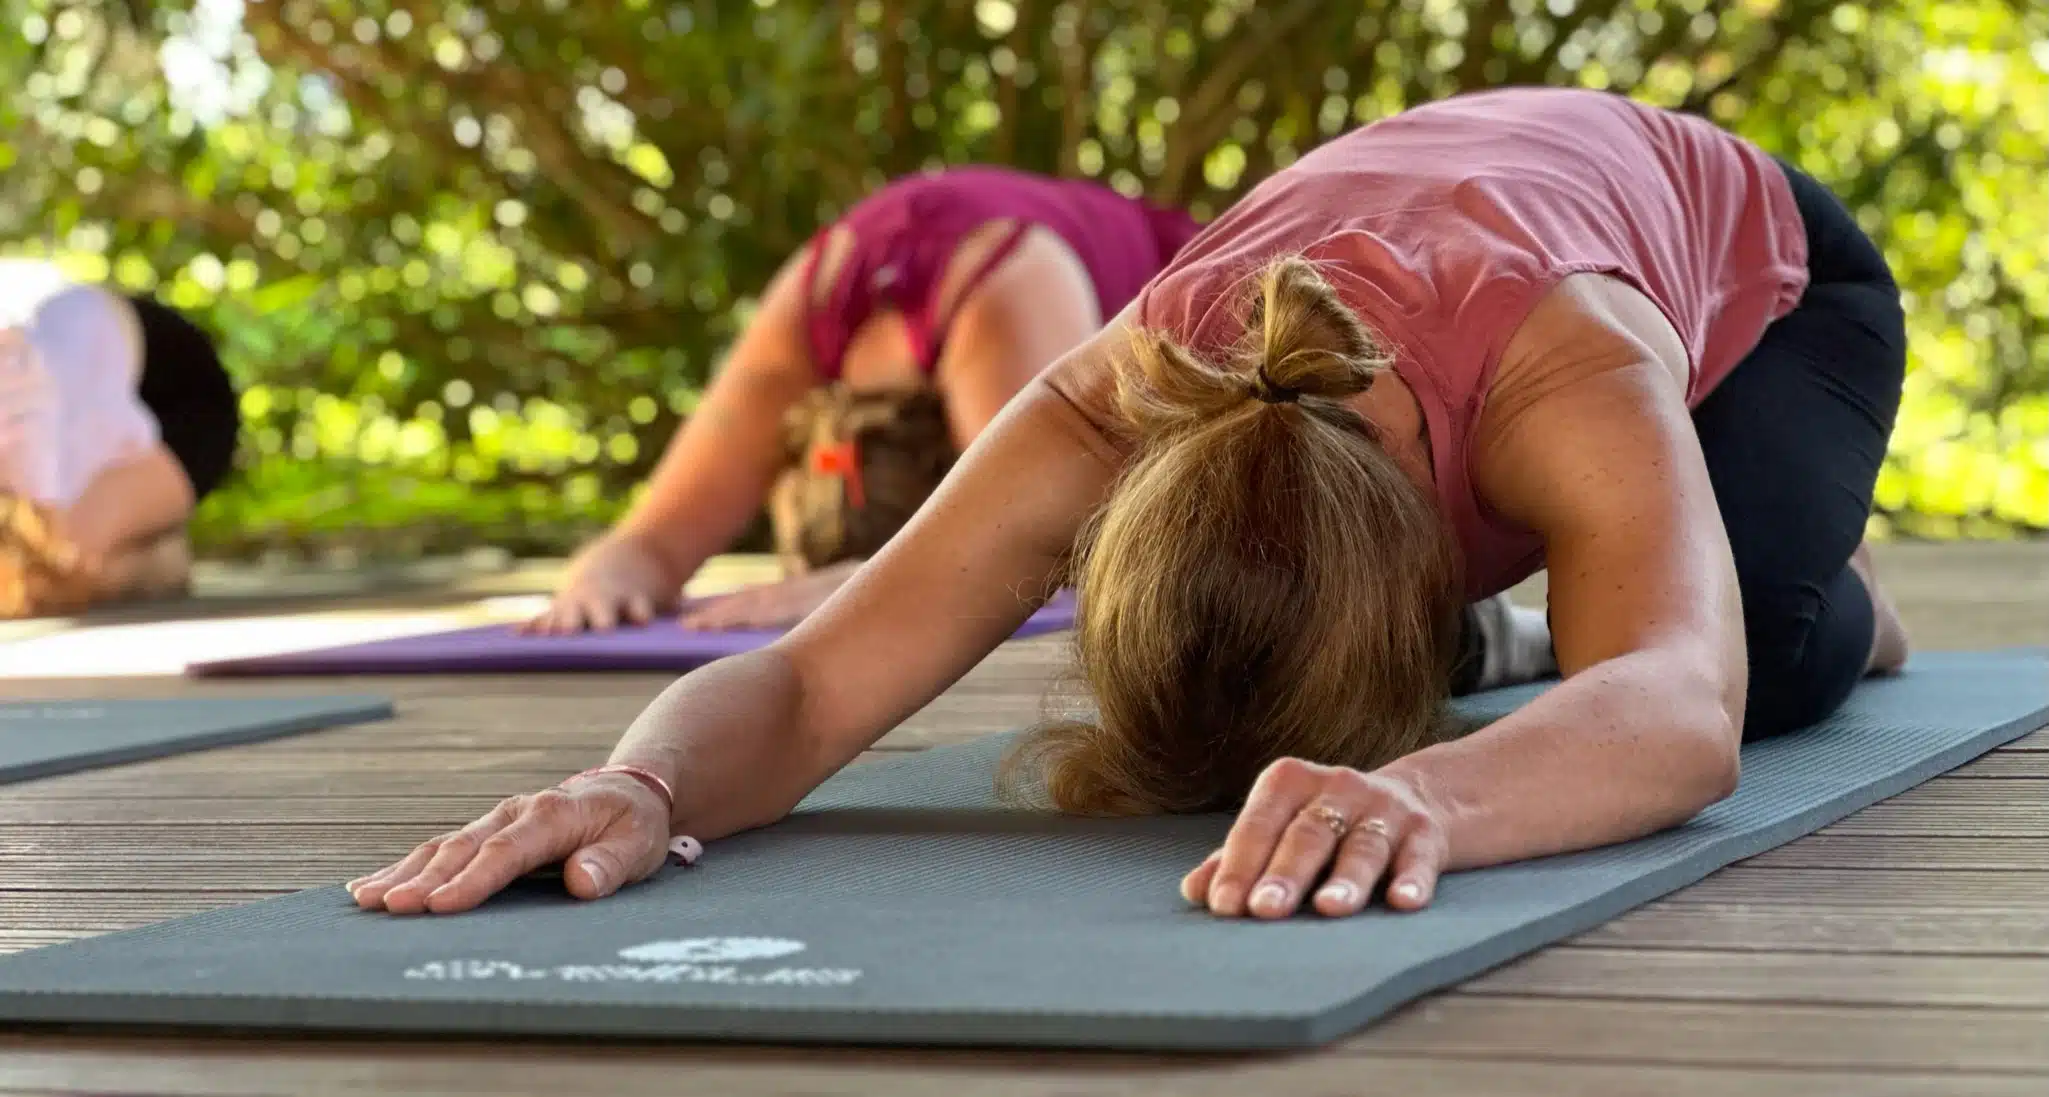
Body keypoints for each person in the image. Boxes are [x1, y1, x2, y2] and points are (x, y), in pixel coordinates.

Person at [349, 86, 1910, 926]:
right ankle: (1599, 588)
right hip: (1468, 244)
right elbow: (820, 676)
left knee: (1754, 652)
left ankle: (1792, 575)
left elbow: (1675, 706)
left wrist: (1430, 795)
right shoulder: (1115, 392)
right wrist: (647, 785)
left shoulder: (1560, 375)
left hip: (1769, 290)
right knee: (1605, 647)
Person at [527, 166, 1206, 634]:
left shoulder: (1006, 301)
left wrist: (873, 588)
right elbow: (648, 542)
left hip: (1190, 307)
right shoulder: (811, 311)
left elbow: (1057, 553)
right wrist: (603, 580)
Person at [1, 260, 239, 618]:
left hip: (176, 393)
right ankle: (147, 544)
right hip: (84, 363)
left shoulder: (22, 401)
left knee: (48, 570)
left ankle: (150, 553)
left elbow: (50, 546)